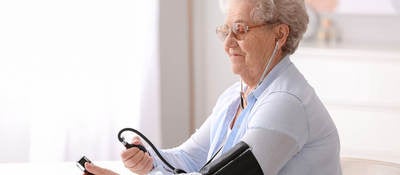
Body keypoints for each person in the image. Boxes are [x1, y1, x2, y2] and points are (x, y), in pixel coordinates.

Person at [84, 0, 342, 174]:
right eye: (226, 30)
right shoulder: (234, 97)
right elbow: (189, 159)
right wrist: (150, 158)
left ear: (280, 34)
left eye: (240, 29)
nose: (228, 43)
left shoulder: (286, 103)